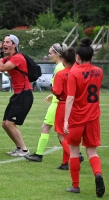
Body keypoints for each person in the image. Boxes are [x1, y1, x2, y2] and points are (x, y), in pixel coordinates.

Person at [64, 37, 105, 197]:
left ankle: (75, 186)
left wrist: (66, 120)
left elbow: (70, 98)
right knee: (92, 152)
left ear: (78, 57)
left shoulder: (74, 73)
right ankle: (98, 173)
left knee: (74, 151)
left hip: (76, 118)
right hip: (93, 117)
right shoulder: (99, 71)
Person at [0, 34, 33, 157]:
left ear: (14, 45)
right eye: (4, 42)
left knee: (10, 123)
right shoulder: (8, 58)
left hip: (24, 94)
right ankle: (19, 148)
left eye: (7, 42)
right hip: (18, 95)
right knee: (5, 124)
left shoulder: (18, 58)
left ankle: (24, 150)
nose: (4, 44)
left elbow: (1, 68)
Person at [24, 43, 69, 163]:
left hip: (57, 104)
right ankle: (72, 157)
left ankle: (39, 155)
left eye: (50, 53)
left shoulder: (59, 68)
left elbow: (60, 87)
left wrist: (54, 94)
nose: (48, 55)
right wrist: (52, 94)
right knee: (62, 134)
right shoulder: (62, 66)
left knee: (45, 128)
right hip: (58, 101)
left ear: (57, 54)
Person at [51, 47, 76, 169]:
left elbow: (57, 91)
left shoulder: (61, 74)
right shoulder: (77, 72)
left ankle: (74, 156)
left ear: (64, 59)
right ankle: (65, 163)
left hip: (63, 104)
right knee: (68, 135)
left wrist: (52, 89)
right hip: (76, 106)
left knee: (61, 135)